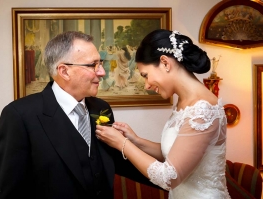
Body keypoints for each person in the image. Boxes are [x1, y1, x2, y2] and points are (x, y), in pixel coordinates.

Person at [0, 31, 152, 199]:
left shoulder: (101, 108)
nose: (102, 72)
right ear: (64, 71)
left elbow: (116, 163)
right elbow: (8, 192)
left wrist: (174, 179)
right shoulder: (20, 116)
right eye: (93, 65)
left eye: (101, 63)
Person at [96, 29, 230, 199]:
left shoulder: (202, 109)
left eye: (145, 75)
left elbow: (169, 178)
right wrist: (135, 140)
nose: (146, 85)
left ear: (165, 63)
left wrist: (122, 144)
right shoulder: (185, 102)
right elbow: (175, 153)